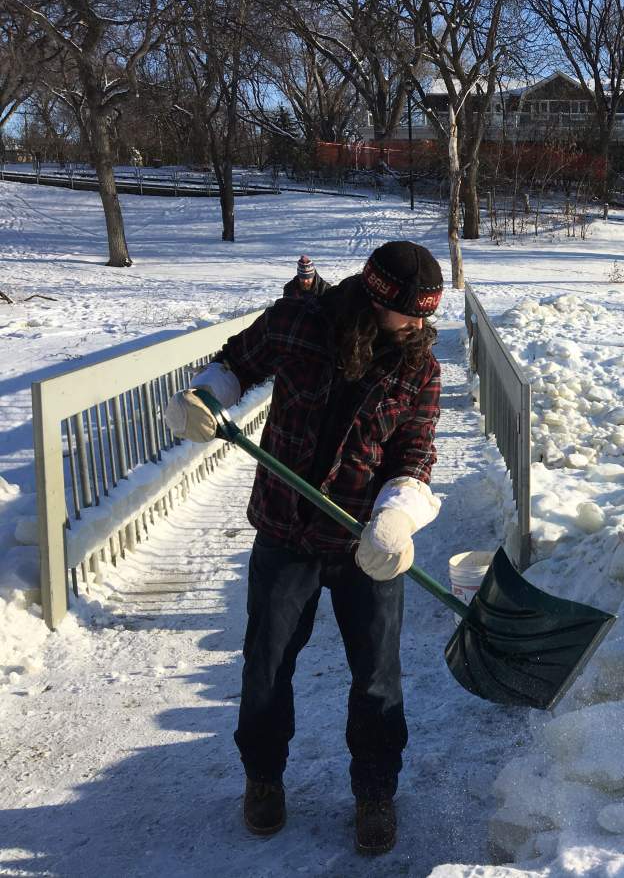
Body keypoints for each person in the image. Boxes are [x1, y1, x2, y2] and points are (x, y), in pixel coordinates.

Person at [165, 241, 444, 856]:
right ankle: (262, 778)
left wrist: (398, 515)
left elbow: (416, 450)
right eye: (409, 314)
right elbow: (236, 362)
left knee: (377, 677)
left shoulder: (418, 365)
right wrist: (206, 397)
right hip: (285, 533)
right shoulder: (297, 322)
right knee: (267, 665)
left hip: (363, 541)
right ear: (375, 298)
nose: (420, 327)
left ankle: (375, 792)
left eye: (426, 314)